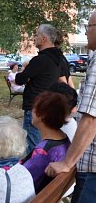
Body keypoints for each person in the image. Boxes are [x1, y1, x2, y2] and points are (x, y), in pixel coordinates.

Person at [29, 11, 96, 203]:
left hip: (93, 165)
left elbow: (91, 118)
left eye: (89, 25)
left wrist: (69, 161)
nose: (86, 29)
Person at [15, 24, 68, 154]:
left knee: (32, 148)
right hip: (48, 106)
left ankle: (32, 173)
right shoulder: (58, 59)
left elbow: (20, 79)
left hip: (34, 108)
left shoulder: (40, 60)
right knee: (41, 144)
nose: (34, 38)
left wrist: (23, 69)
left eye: (36, 35)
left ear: (44, 39)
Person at [21, 91, 71, 193]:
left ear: (42, 115)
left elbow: (22, 179)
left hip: (30, 201)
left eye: (34, 108)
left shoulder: (44, 151)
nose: (31, 111)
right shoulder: (64, 139)